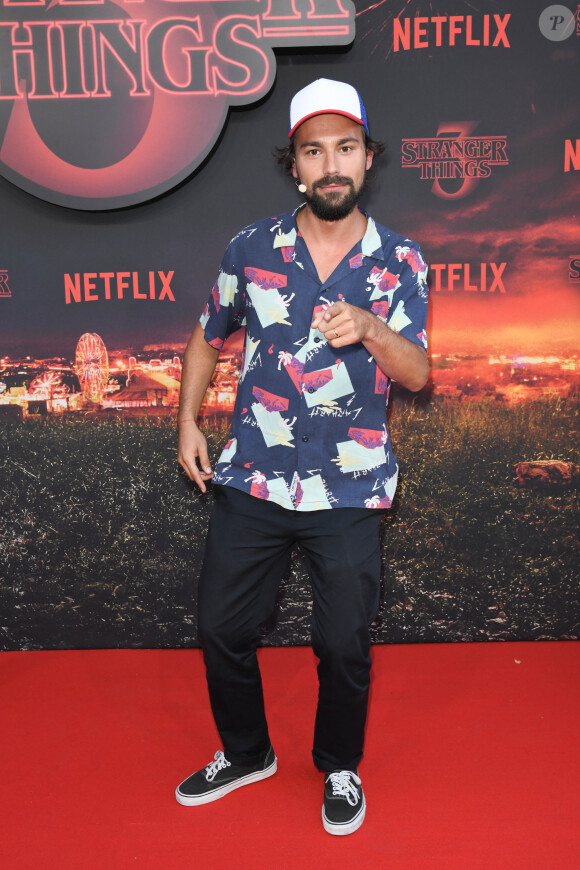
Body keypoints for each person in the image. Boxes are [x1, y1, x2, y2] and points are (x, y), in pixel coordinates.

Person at [175, 78, 429, 836]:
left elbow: (417, 373)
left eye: (345, 148)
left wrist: (372, 330)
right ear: (296, 167)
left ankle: (340, 764)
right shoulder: (250, 248)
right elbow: (205, 333)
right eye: (314, 152)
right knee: (221, 628)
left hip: (349, 487)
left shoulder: (401, 260)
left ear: (367, 158)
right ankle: (247, 753)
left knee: (344, 642)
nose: (331, 166)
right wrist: (186, 418)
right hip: (253, 473)